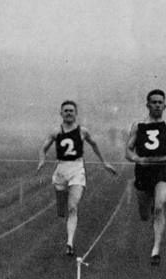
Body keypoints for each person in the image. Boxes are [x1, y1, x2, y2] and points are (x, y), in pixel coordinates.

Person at [37, 100, 117, 256]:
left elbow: (94, 145)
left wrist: (104, 163)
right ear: (61, 113)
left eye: (71, 111)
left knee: (73, 207)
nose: (68, 113)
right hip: (61, 170)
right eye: (65, 110)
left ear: (76, 113)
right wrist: (42, 161)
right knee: (62, 211)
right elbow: (43, 149)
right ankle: (63, 208)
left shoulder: (82, 131)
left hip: (77, 169)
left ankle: (70, 242)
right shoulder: (56, 131)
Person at [126, 89, 166, 265]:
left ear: (164, 105)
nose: (157, 105)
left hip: (163, 168)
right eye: (153, 102)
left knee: (159, 206)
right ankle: (149, 210)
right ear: (148, 105)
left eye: (160, 102)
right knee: (144, 214)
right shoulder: (138, 126)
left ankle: (156, 249)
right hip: (143, 170)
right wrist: (139, 159)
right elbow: (128, 151)